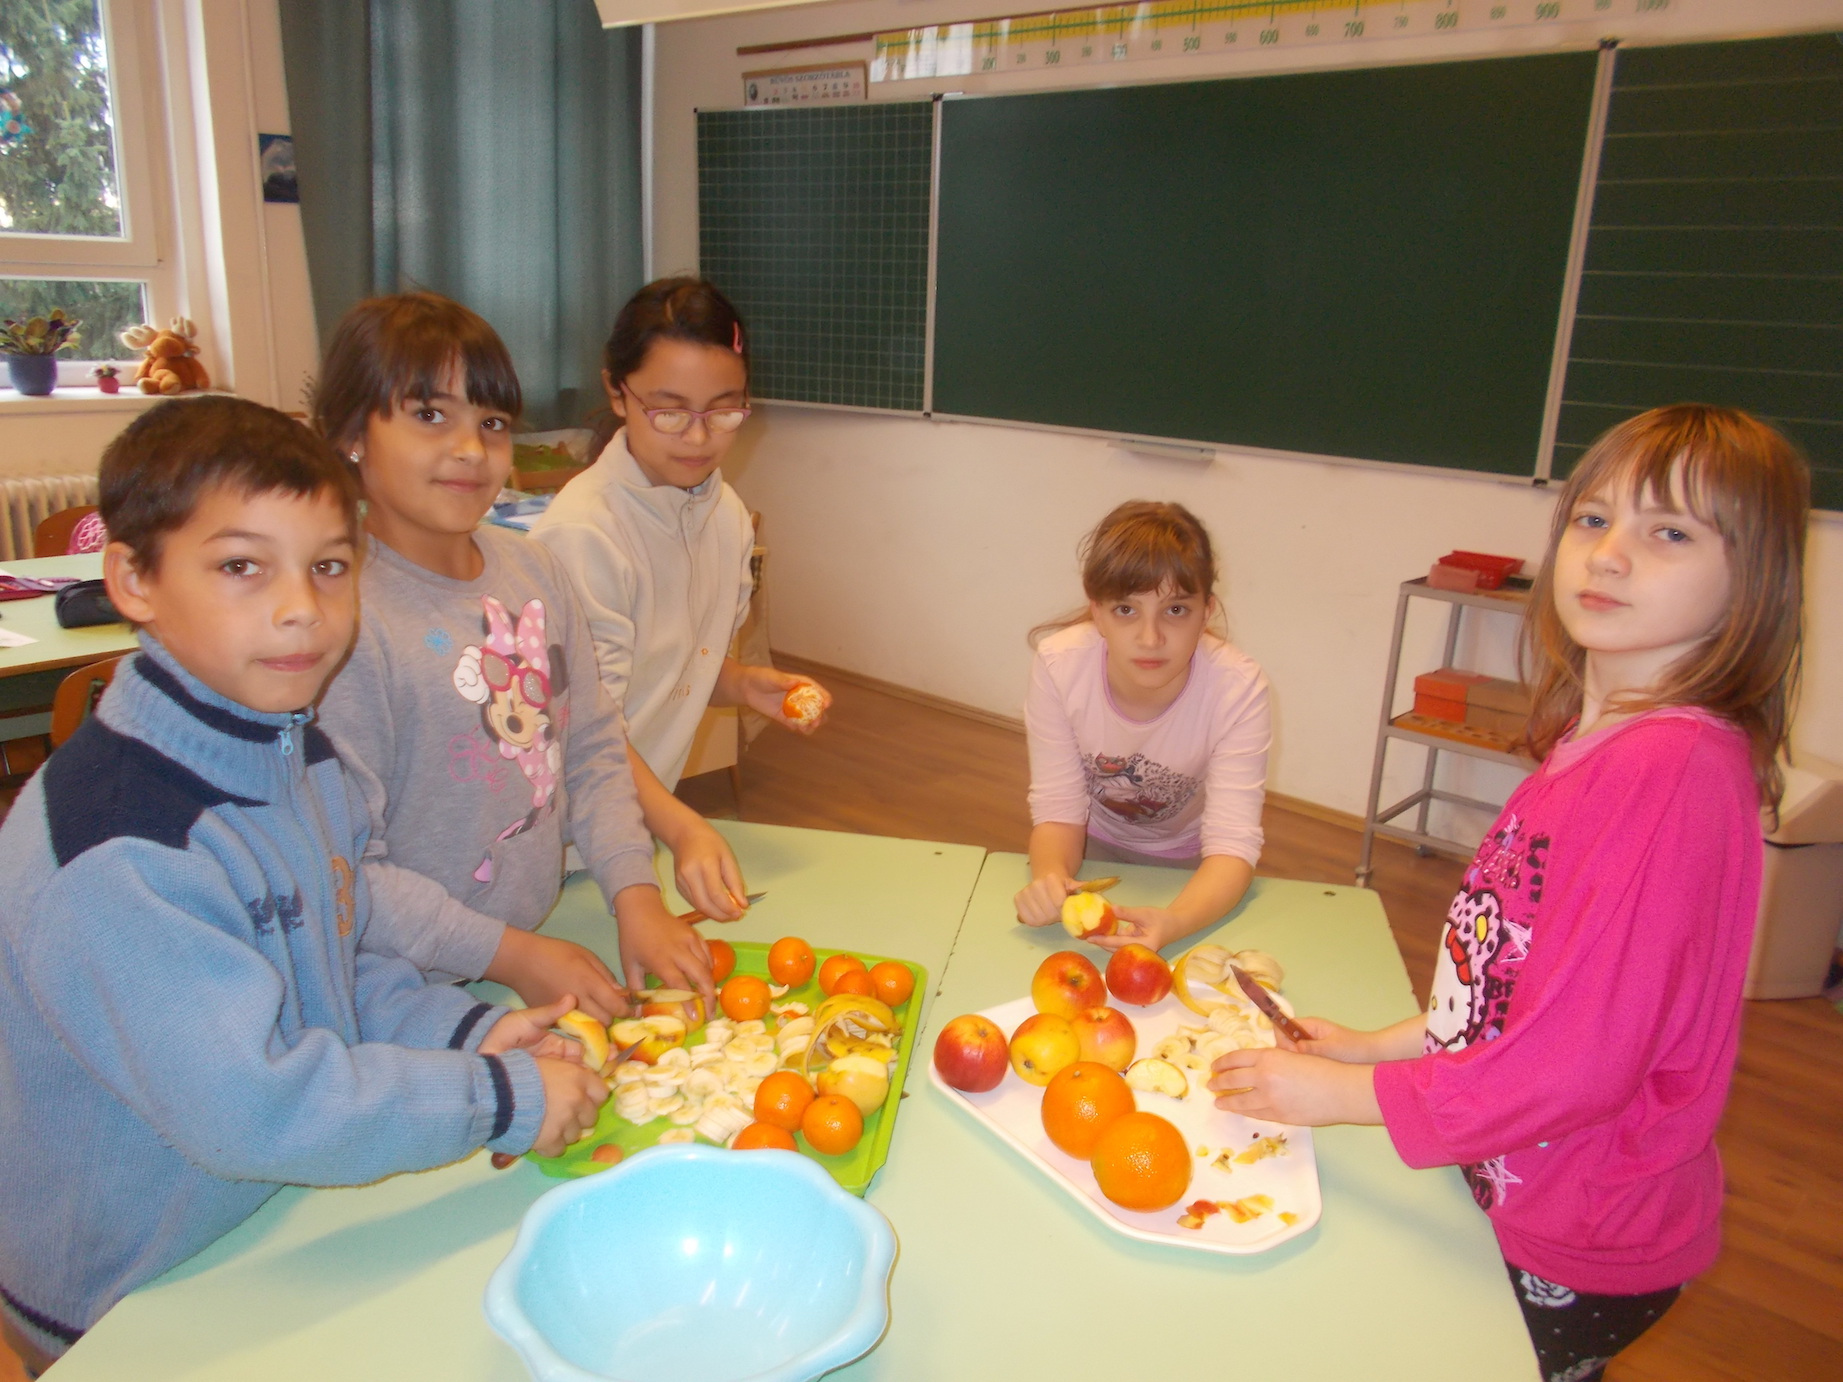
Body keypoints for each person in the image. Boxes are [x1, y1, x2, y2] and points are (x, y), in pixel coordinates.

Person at [0, 398, 606, 1373]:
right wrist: (496, 1095)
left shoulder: (296, 753)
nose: (302, 608)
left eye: (328, 566)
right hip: (133, 1294)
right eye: (242, 566)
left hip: (270, 1211)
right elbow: (255, 1109)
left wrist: (464, 1031)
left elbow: (334, 950)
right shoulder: (122, 854)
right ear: (133, 579)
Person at [1208, 405, 1809, 1382]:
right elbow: (1508, 985)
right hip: (1519, 1184)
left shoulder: (1666, 775)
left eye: (1668, 532)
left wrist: (1348, 1095)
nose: (1609, 554)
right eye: (1592, 519)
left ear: (1753, 578)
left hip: (1574, 1236)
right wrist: (1375, 1045)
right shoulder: (1600, 740)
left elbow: (1575, 1063)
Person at [312, 292, 722, 1006]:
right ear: (351, 432)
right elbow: (350, 869)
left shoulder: (534, 570)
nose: (471, 449)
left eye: (492, 422)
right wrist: (512, 956)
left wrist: (634, 893)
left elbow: (591, 746)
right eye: (429, 414)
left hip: (535, 939)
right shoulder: (337, 620)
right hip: (399, 988)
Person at [529, 278, 830, 904]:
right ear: (618, 392)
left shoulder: (725, 516)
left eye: (723, 411)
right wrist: (682, 825)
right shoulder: (584, 536)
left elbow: (667, 664)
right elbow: (584, 727)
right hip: (554, 843)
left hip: (632, 829)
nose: (698, 438)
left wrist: (740, 683)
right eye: (669, 411)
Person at [1014, 500, 1270, 952]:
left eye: (1176, 610)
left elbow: (1232, 844)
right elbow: (1058, 810)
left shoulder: (1238, 688)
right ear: (1097, 611)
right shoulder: (1059, 666)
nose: (1150, 639)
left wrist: (1175, 922)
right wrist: (1051, 880)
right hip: (1087, 849)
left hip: (1194, 864)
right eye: (1126, 610)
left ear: (1206, 611)